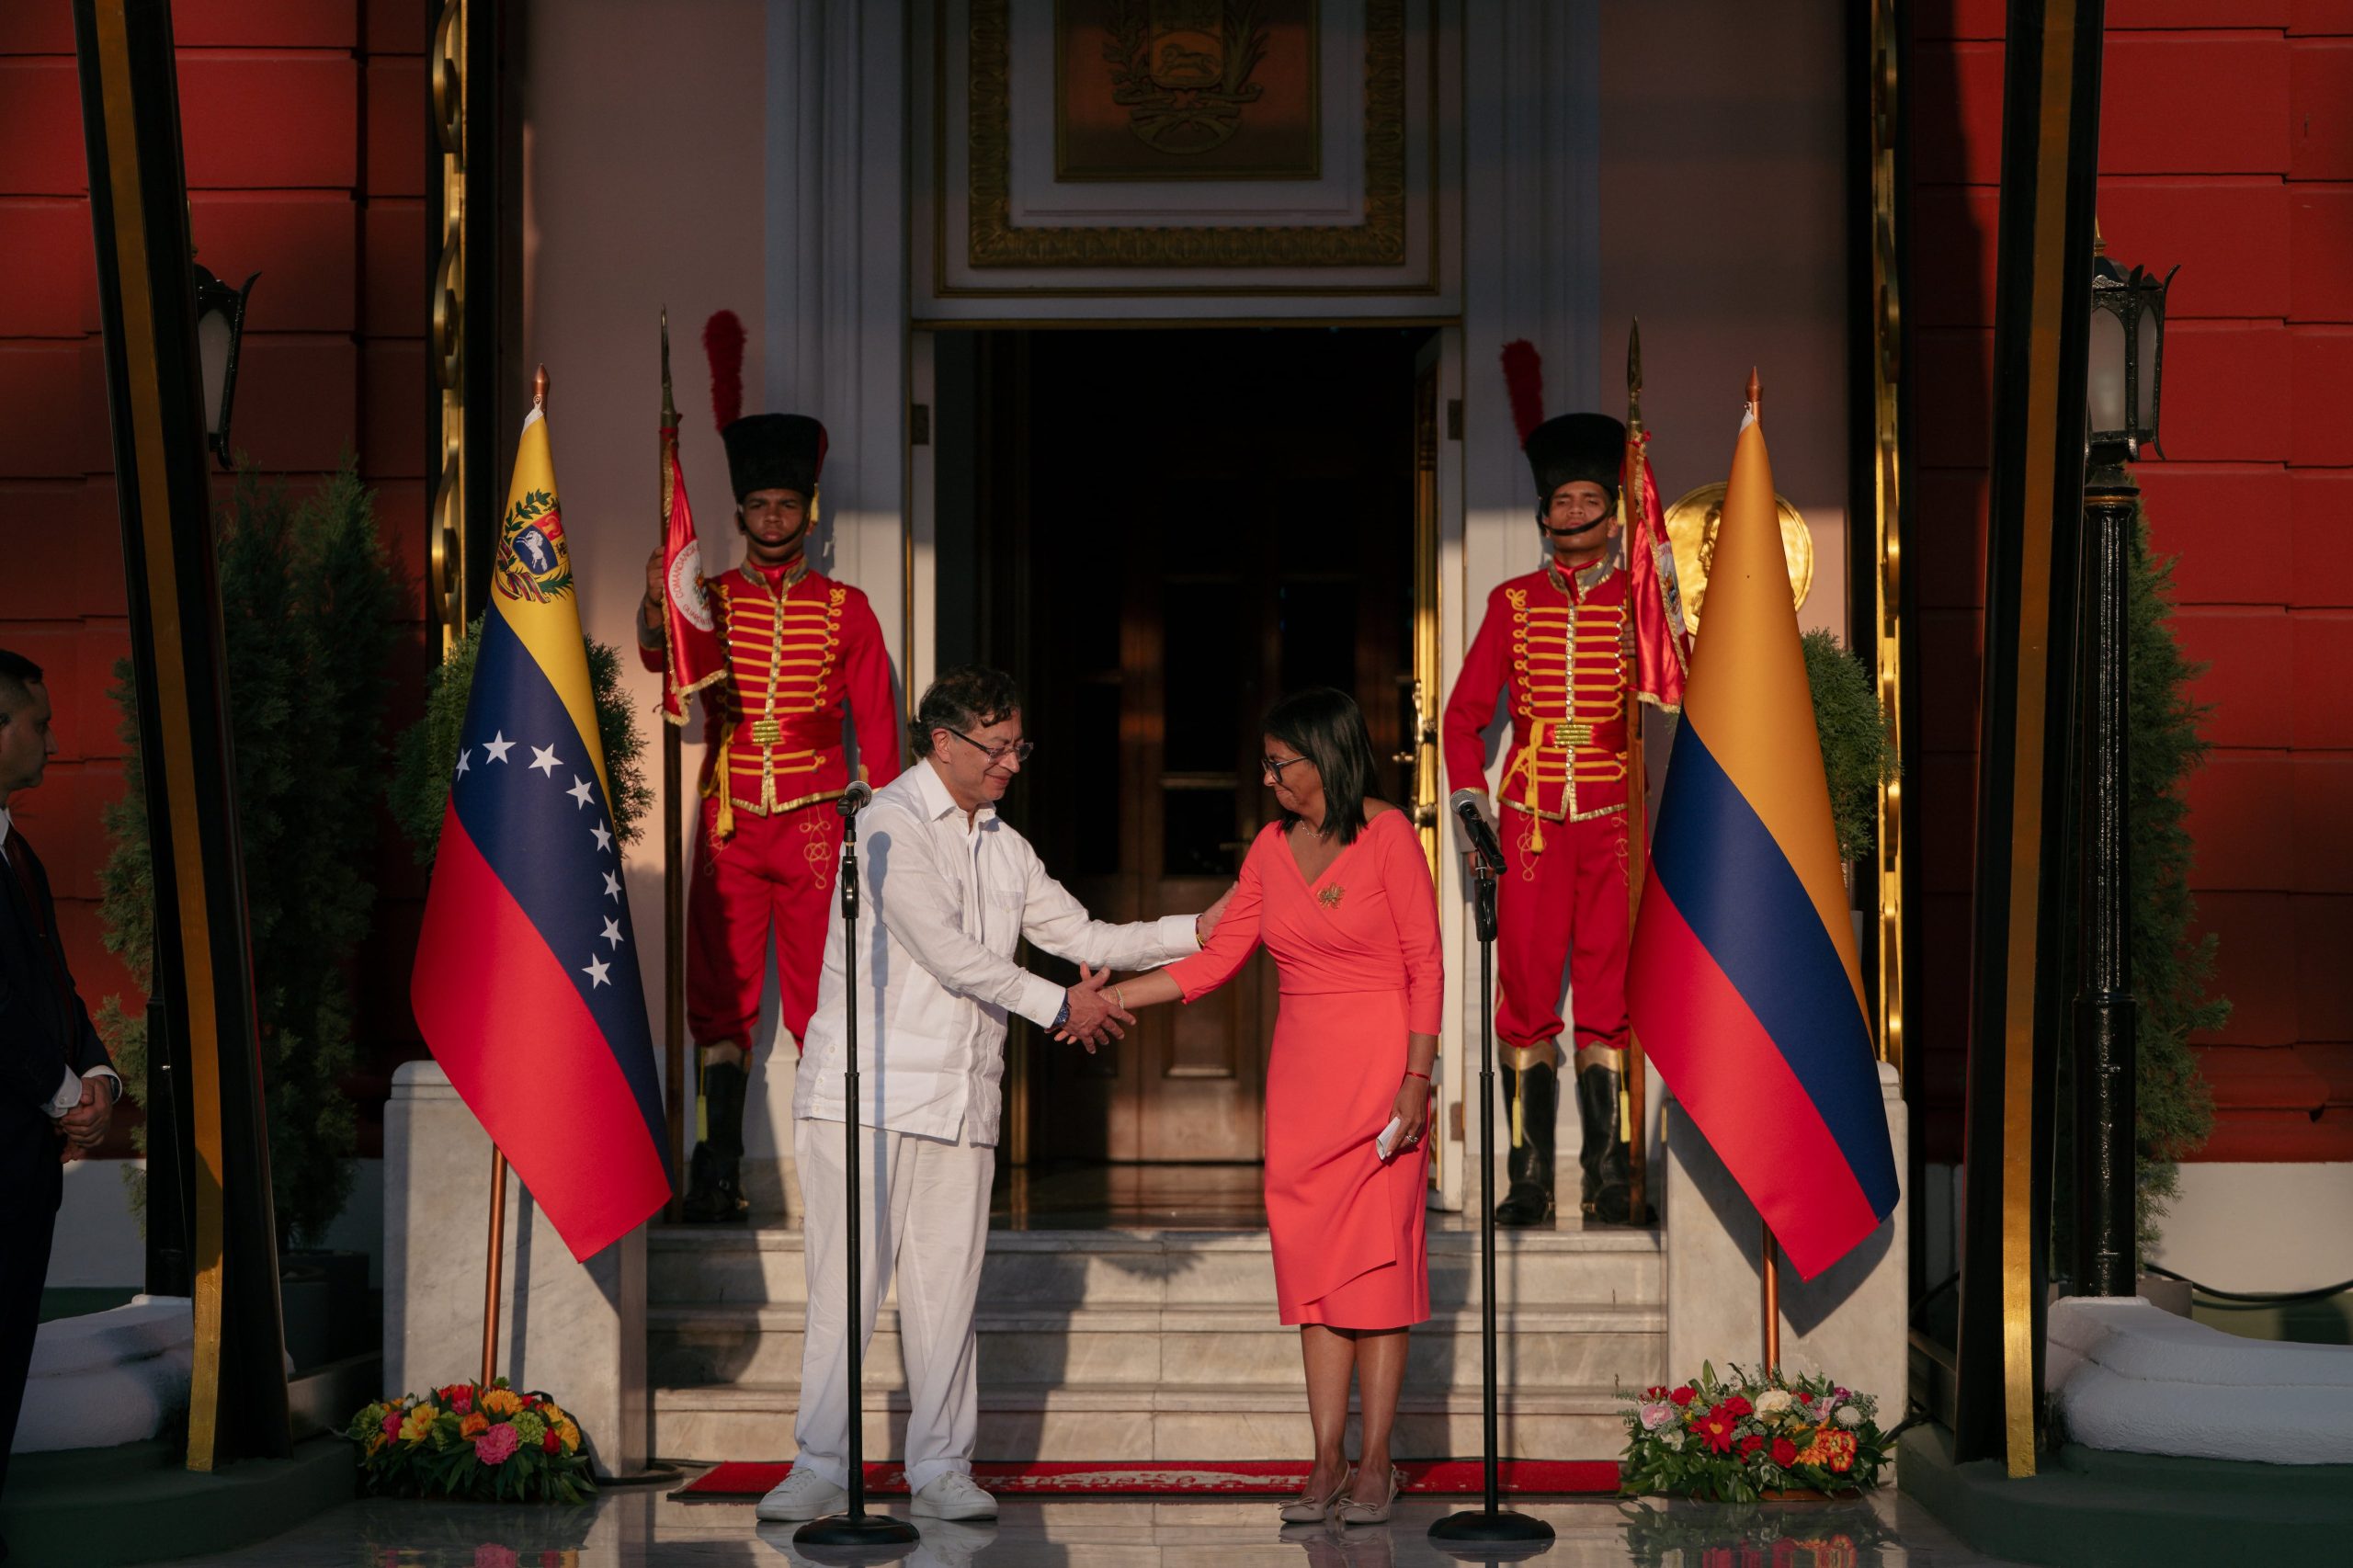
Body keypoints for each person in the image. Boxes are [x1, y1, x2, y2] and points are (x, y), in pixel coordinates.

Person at [756, 666, 1231, 1526]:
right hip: (868, 1092)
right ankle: (821, 1463)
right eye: (999, 746)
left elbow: (1081, 933)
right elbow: (945, 951)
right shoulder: (888, 826)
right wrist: (1062, 1004)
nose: (1013, 761)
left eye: (1020, 746)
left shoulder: (1004, 846)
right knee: (847, 1287)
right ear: (944, 741)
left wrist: (1198, 928)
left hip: (962, 1098)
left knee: (948, 1290)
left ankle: (940, 1464)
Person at [1108, 687, 1441, 1528]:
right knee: (1316, 1281)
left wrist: (1418, 1079)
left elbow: (1427, 965)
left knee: (1376, 1277)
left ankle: (1376, 1462)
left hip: (1382, 1077)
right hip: (1302, 1086)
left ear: (1324, 755)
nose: (1266, 779)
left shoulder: (1391, 834)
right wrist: (1112, 998)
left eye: (1277, 764)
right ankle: (1326, 1458)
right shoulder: (1267, 848)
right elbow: (1218, 960)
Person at [639, 326, 901, 1222]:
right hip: (727, 818)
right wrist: (652, 602)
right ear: (743, 513)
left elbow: (882, 734)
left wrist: (902, 832)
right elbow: (661, 662)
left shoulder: (849, 610)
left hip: (821, 821)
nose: (774, 519)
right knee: (720, 1000)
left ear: (808, 509)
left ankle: (835, 1167)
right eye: (761, 506)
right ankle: (717, 1166)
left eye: (788, 504)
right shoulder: (704, 597)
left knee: (824, 995)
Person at [1441, 403, 1676, 1227]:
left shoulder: (1643, 602)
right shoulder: (1511, 603)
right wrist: (1474, 812)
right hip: (1532, 822)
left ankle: (1610, 1173)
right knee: (1526, 997)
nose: (1573, 515)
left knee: (1610, 1001)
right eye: (1560, 503)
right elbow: (1464, 716)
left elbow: (1679, 686)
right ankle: (1528, 1176)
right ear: (1544, 514)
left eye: (1588, 501)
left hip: (1614, 817)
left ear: (1613, 514)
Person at [0, 650, 120, 1544]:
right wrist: (55, 1090)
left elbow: (56, 986)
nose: (52, 737)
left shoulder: (20, 852)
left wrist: (98, 1077)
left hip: (24, 1169)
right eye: (38, 721)